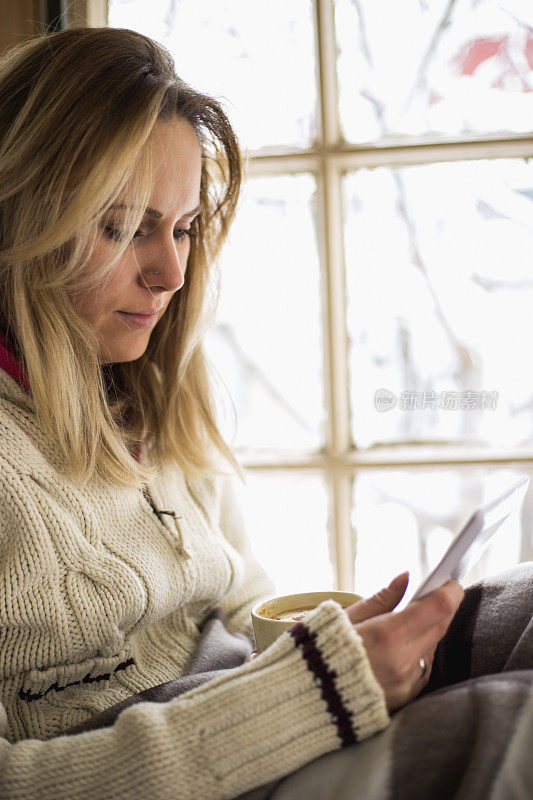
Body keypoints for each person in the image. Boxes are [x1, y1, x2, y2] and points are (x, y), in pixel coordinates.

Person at [0, 24, 500, 800]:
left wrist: (346, 650)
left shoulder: (151, 400)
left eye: (184, 227)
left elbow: (240, 612)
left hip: (260, 726)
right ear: (21, 220)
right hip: (202, 768)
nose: (169, 272)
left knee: (514, 612)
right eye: (125, 227)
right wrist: (317, 692)